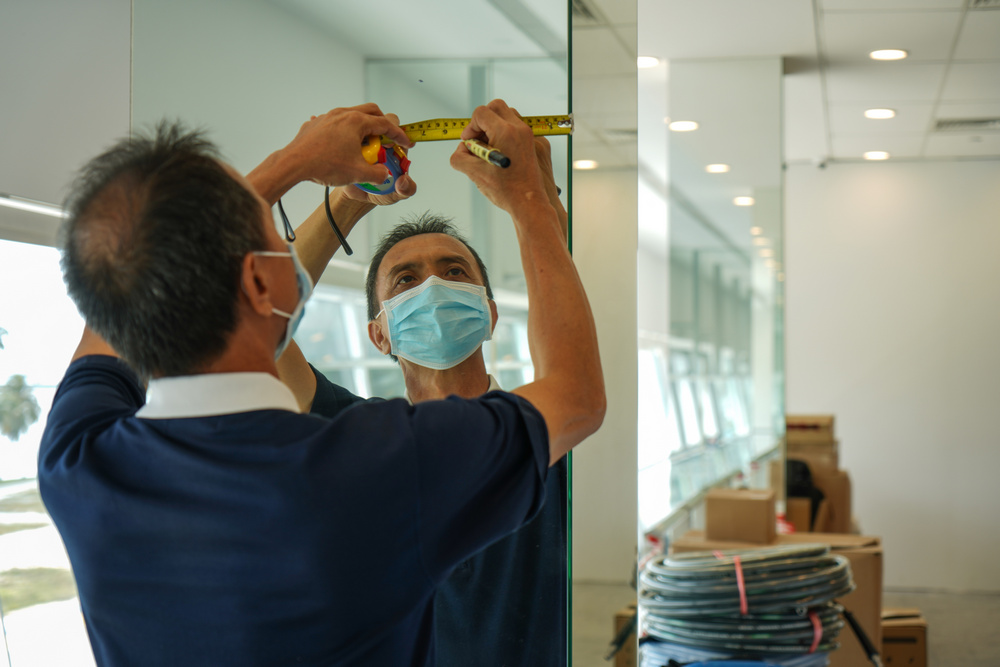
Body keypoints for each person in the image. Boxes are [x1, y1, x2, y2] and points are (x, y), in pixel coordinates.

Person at [39, 101, 604, 667]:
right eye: (273, 239)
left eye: (453, 272)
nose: (433, 286)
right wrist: (531, 201)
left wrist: (298, 164)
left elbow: (124, 278)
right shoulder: (379, 459)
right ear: (263, 283)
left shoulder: (77, 461)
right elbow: (575, 392)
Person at [275, 137, 571, 666]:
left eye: (455, 271)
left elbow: (571, 350)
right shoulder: (357, 435)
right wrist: (348, 200)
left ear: (490, 312)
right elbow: (256, 330)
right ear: (378, 335)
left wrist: (538, 209)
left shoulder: (546, 431)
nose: (434, 285)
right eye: (406, 280)